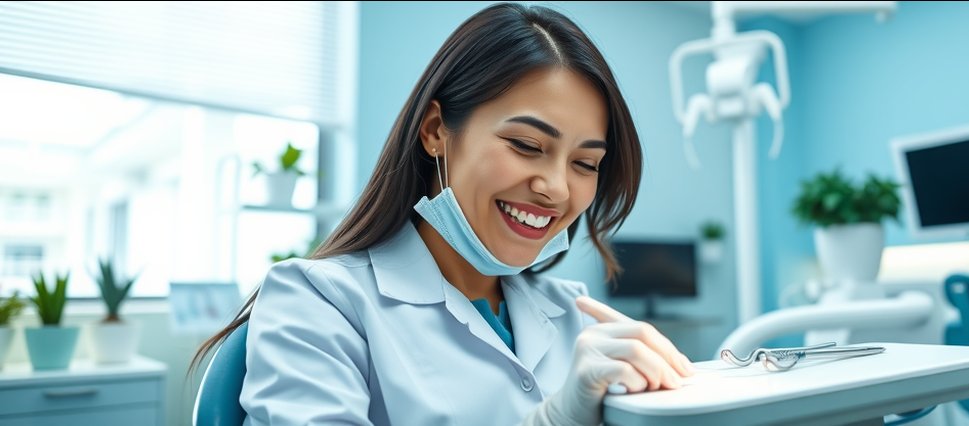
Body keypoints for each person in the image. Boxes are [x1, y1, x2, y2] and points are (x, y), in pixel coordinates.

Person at [191, 3, 695, 425]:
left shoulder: (575, 316)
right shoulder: (317, 303)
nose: (556, 188)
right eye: (525, 144)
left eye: (586, 163)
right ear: (436, 130)